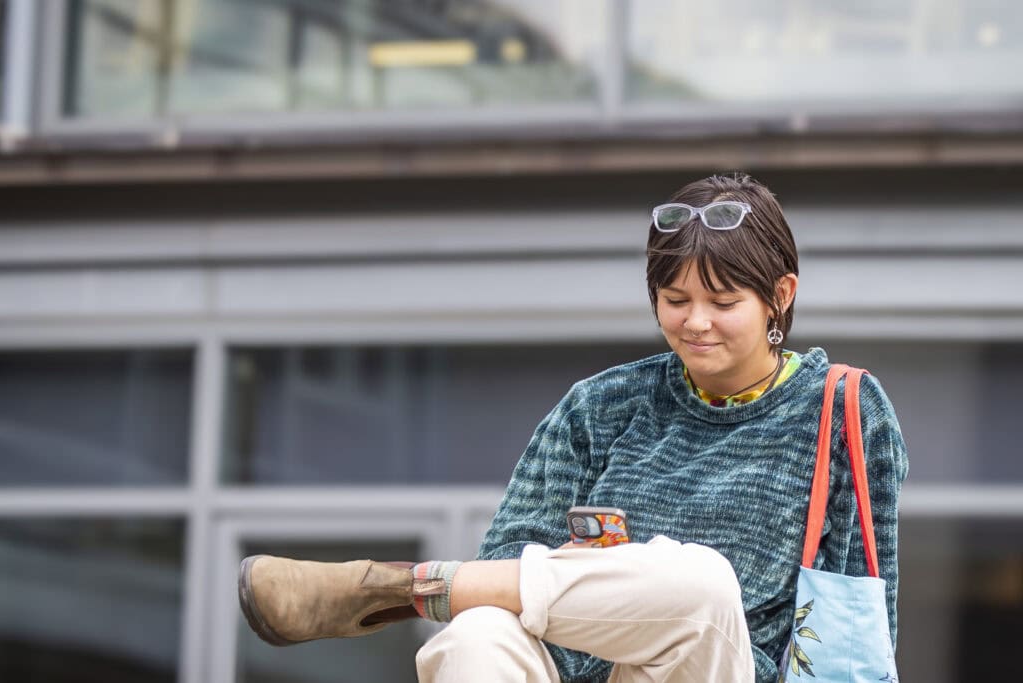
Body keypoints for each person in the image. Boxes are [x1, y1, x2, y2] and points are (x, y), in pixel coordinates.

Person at [237, 173, 909, 683]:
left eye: (722, 301)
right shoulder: (603, 405)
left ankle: (402, 587)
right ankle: (425, 592)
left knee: (701, 584)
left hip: (720, 667)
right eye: (675, 300)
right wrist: (593, 576)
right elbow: (506, 560)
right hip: (577, 670)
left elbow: (860, 617)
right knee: (476, 638)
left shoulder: (840, 406)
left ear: (780, 296)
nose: (695, 322)